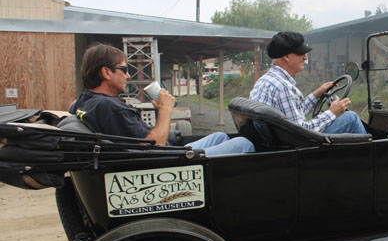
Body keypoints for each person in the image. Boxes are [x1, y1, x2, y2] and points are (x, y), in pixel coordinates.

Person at [72, 43, 254, 156]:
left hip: (168, 152)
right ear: (106, 72)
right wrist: (165, 110)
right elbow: (155, 149)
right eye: (124, 69)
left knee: (221, 136)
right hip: (167, 163)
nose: (128, 75)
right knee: (243, 143)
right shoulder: (109, 107)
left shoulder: (84, 101)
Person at [250, 31, 366, 134]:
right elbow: (300, 132)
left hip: (280, 139)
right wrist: (332, 112)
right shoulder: (284, 88)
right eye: (300, 53)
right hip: (298, 145)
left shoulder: (264, 81)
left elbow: (292, 115)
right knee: (351, 118)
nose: (305, 57)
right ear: (286, 56)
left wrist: (317, 94)